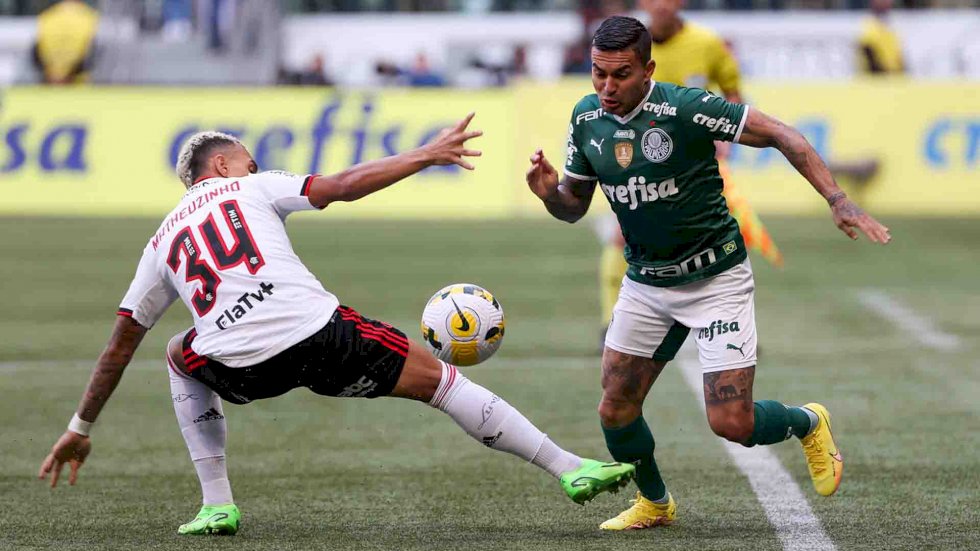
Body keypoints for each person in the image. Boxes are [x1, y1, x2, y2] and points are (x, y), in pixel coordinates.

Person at [38, 115, 635, 535]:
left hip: (242, 366)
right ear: (222, 165)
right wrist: (424, 156)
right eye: (249, 158)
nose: (256, 164)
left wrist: (80, 425)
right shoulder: (249, 185)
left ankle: (217, 505)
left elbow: (120, 344)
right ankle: (570, 468)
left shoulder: (160, 239)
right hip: (319, 334)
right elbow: (343, 187)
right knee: (440, 382)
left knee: (175, 352)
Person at [525, 16, 891, 531]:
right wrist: (548, 194)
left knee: (731, 422)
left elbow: (785, 135)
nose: (607, 87)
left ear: (648, 69)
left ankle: (808, 421)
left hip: (715, 278)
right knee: (615, 409)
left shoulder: (687, 109)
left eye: (620, 75)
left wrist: (838, 199)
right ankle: (655, 502)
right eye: (598, 73)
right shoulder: (587, 120)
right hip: (648, 283)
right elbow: (573, 207)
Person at [595, 0, 782, 346]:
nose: (660, 5)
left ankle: (732, 325)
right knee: (623, 236)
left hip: (697, 168)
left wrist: (727, 136)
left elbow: (733, 94)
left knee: (719, 237)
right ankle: (611, 323)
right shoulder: (630, 47)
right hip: (640, 165)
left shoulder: (707, 44)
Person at [31, 0, 99, 85]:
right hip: (77, 82)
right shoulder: (91, 18)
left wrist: (54, 74)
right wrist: (69, 73)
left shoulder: (47, 16)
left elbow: (36, 51)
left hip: (50, 81)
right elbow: (93, 53)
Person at [857, 0, 905, 76]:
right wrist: (884, 76)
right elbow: (868, 54)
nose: (886, 2)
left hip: (893, 78)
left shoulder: (892, 25)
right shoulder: (867, 24)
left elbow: (898, 55)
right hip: (876, 80)